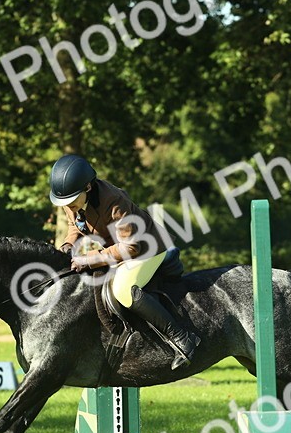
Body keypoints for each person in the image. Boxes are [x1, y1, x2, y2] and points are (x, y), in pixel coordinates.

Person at [50, 154, 199, 370]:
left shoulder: (114, 201)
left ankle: (183, 338)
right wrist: (67, 246)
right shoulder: (71, 199)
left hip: (148, 248)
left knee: (123, 289)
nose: (68, 206)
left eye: (71, 201)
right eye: (65, 203)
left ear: (89, 188)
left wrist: (88, 260)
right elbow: (75, 225)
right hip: (119, 248)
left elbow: (130, 247)